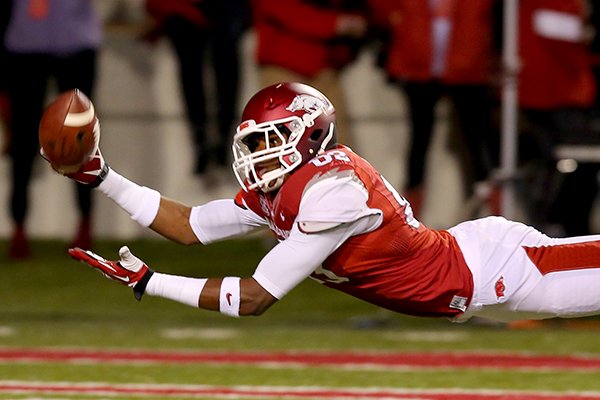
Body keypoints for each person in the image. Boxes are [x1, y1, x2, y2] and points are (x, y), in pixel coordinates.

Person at [50, 82, 600, 323]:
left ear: (310, 135)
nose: (259, 156)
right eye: (255, 143)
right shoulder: (285, 188)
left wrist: (152, 283)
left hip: (500, 271)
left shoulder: (333, 193)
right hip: (476, 279)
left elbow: (256, 297)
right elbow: (190, 225)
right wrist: (103, 176)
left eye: (270, 140)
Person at [375, 0, 501, 217]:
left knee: (478, 141)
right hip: (420, 64)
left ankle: (499, 213)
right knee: (419, 143)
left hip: (467, 65)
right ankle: (410, 222)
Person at [2, 0, 102, 259]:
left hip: (76, 43)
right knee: (22, 140)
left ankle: (85, 223)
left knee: (80, 141)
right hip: (24, 46)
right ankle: (19, 227)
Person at [142, 0, 251, 175]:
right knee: (199, 73)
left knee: (217, 70)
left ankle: (218, 143)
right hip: (183, 12)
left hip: (220, 11)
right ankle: (207, 143)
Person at [252, 0, 369, 149]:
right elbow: (279, 8)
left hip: (324, 68)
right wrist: (335, 23)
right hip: (283, 67)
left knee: (339, 147)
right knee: (284, 147)